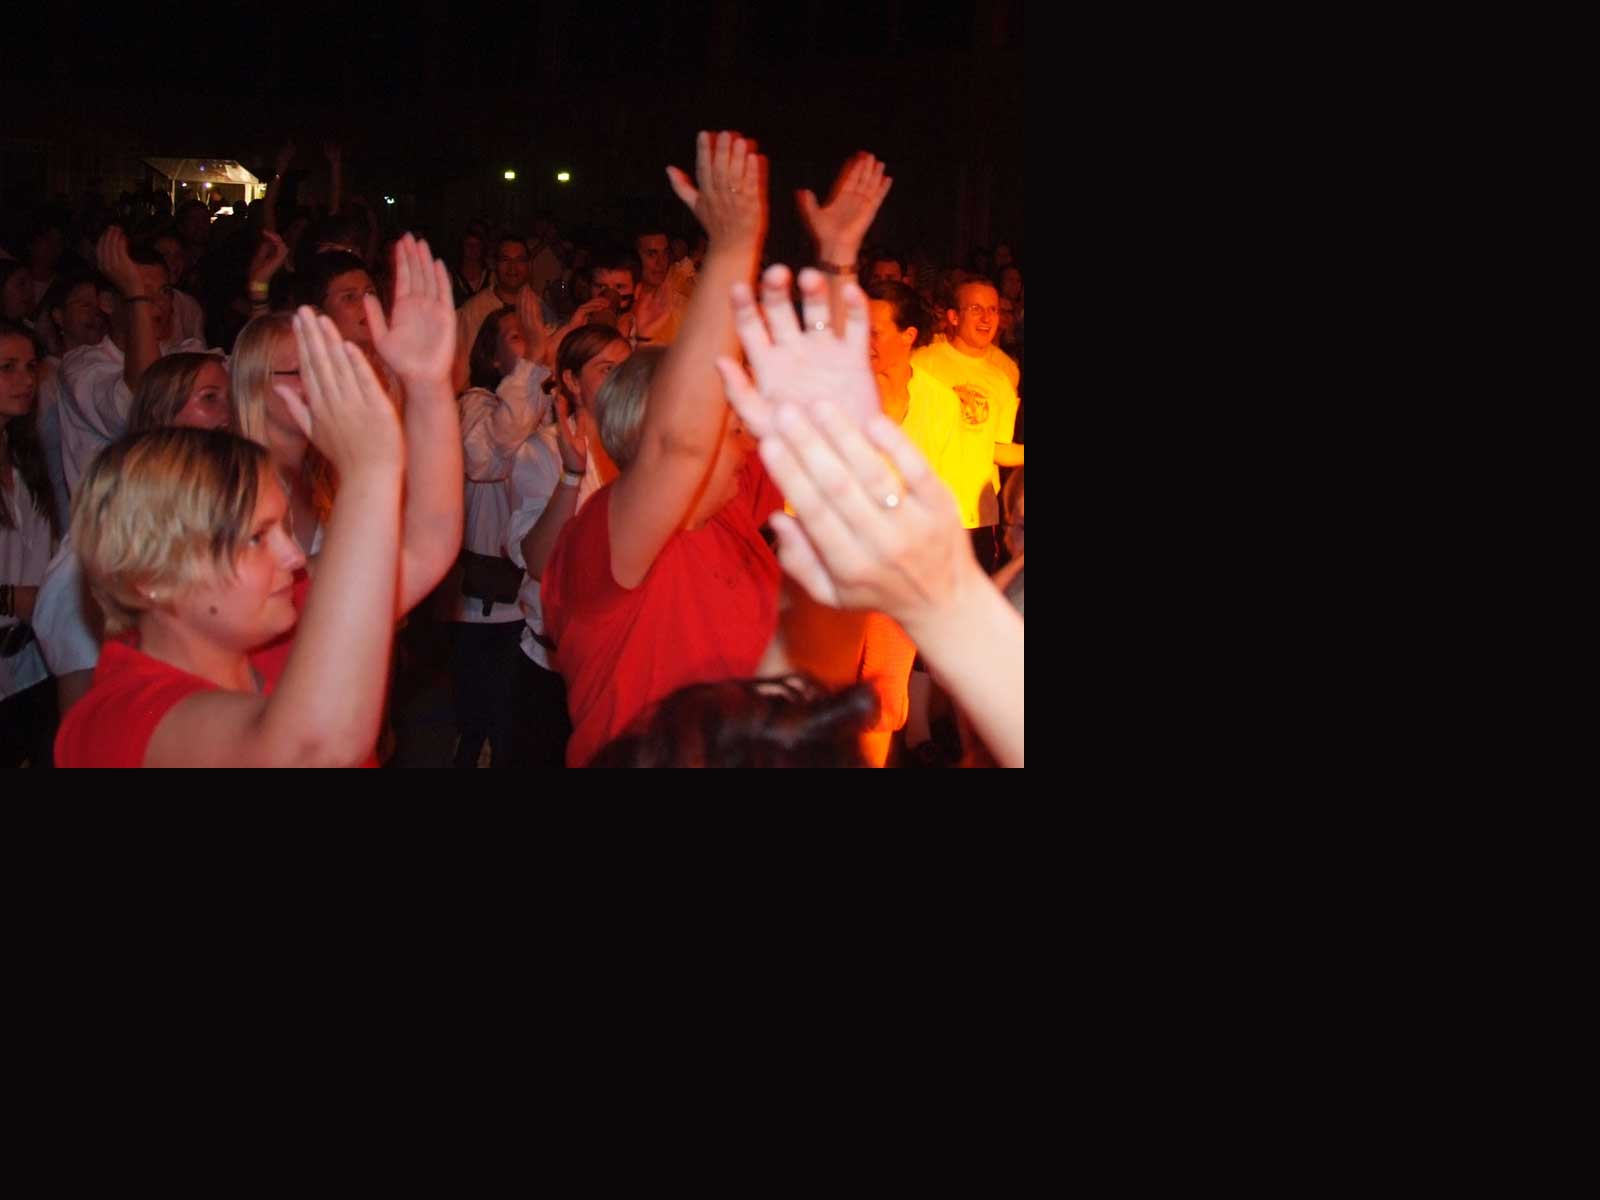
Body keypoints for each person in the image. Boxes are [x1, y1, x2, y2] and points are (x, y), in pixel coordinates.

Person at [54, 310, 404, 767]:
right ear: (150, 577)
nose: (294, 555)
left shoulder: (251, 631)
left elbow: (425, 544)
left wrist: (426, 384)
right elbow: (313, 749)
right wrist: (368, 473)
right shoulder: (124, 714)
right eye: (256, 538)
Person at [715, 269, 1024, 767]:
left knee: (883, 697)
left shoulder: (940, 403)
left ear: (908, 336)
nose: (866, 342)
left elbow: (942, 489)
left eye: (876, 331)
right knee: (820, 691)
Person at [541, 131, 781, 767]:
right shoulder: (602, 538)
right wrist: (732, 249)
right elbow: (680, 444)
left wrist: (837, 258)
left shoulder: (729, 509)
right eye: (729, 426)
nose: (746, 438)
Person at [500, 324, 631, 766]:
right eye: (607, 369)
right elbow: (539, 563)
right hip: (553, 668)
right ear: (572, 381)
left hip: (619, 662)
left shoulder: (638, 449)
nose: (621, 380)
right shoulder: (543, 451)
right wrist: (572, 475)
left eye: (627, 369)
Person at [452, 304, 552, 767]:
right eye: (515, 336)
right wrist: (530, 365)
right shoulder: (475, 404)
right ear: (492, 358)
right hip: (486, 594)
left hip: (526, 591)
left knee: (516, 718)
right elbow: (491, 454)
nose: (526, 343)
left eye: (528, 334)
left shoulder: (537, 400)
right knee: (480, 715)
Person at [57, 227, 208, 498]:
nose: (160, 304)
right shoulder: (81, 366)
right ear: (107, 303)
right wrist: (136, 297)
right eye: (145, 294)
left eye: (165, 291)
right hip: (111, 523)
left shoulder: (185, 353)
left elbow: (253, 380)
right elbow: (143, 403)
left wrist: (259, 295)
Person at [909, 277, 1023, 572]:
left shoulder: (1002, 378)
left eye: (993, 310)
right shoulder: (922, 364)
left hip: (977, 518)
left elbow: (996, 449)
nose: (986, 318)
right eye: (976, 309)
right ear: (953, 316)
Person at [0, 319, 59, 766]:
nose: (25, 380)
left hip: (31, 663)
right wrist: (10, 598)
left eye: (31, 367)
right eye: (7, 368)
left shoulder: (23, 457)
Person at [453, 233, 531, 393]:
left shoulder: (539, 308)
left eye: (520, 260)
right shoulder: (474, 310)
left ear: (529, 265)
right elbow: (462, 371)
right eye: (505, 260)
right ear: (495, 264)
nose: (513, 267)